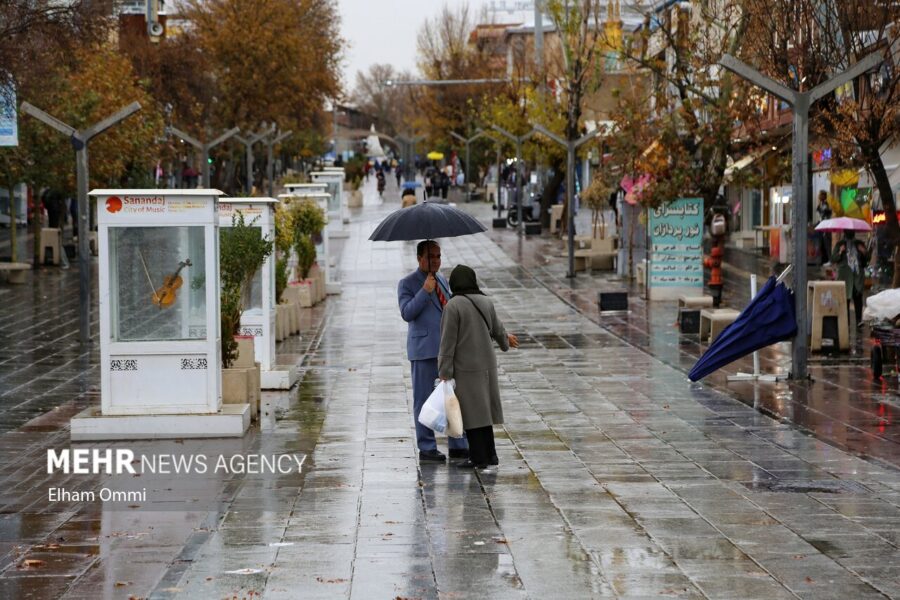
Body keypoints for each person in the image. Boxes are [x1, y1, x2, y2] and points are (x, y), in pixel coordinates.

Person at [438, 265, 518, 469]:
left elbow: (447, 342)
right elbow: (498, 329)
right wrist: (505, 343)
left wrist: (444, 371)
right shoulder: (486, 301)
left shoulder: (453, 306)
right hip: (487, 364)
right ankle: (490, 455)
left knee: (472, 413)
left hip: (466, 367)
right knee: (484, 412)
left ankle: (478, 457)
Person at [398, 241, 469, 462]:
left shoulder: (442, 279)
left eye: (438, 256)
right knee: (423, 399)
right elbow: (407, 313)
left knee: (452, 397)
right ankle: (427, 447)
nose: (436, 261)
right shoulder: (407, 283)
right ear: (419, 258)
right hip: (423, 350)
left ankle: (458, 443)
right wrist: (424, 291)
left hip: (447, 349)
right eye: (431, 257)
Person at [833, 230, 869, 328]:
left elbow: (866, 260)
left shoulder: (859, 244)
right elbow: (833, 258)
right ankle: (846, 322)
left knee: (858, 298)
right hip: (845, 276)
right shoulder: (840, 244)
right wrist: (840, 251)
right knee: (846, 299)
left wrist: (863, 251)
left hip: (857, 276)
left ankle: (859, 320)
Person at [816, 191, 833, 262]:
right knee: (822, 243)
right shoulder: (820, 204)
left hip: (826, 226)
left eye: (820, 195)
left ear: (824, 196)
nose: (819, 197)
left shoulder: (826, 205)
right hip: (822, 225)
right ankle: (824, 259)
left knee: (827, 243)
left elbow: (826, 213)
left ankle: (829, 259)